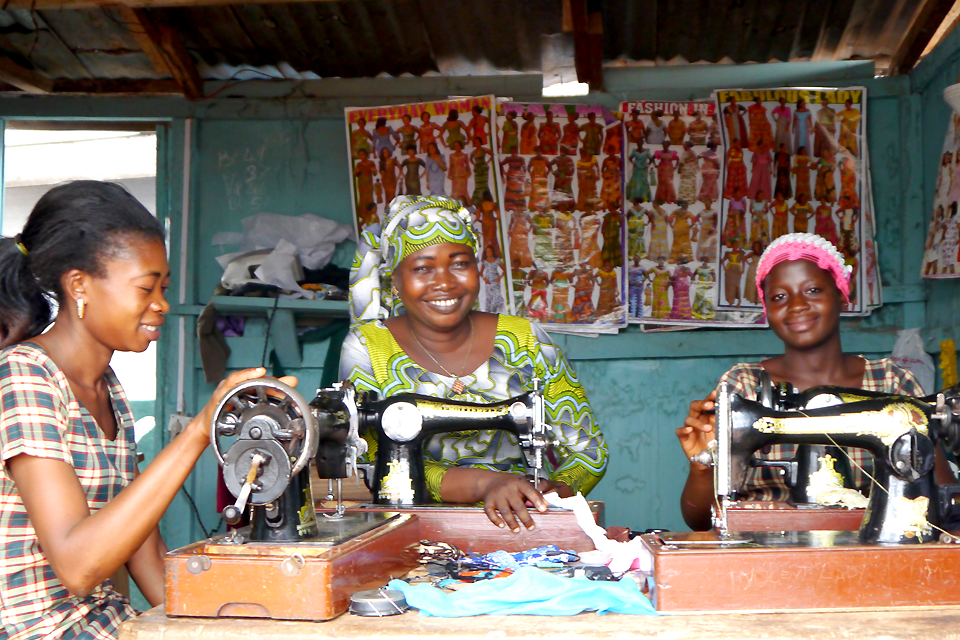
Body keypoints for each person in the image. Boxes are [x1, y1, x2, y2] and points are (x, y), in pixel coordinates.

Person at [0, 181, 285, 638]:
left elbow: (141, 546)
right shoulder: (25, 376)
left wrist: (212, 627)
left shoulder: (107, 387)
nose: (161, 305)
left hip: (102, 621)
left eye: (164, 287)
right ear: (80, 285)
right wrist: (197, 431)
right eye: (145, 288)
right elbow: (77, 566)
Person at [343, 196, 608, 531]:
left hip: (520, 525)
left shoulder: (526, 339)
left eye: (459, 263)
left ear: (478, 269)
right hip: (409, 529)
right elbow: (377, 460)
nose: (445, 282)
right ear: (394, 282)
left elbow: (589, 450)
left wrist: (555, 490)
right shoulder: (366, 350)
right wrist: (486, 484)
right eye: (423, 268)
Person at [676, 233, 932, 531]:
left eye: (812, 290)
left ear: (840, 294)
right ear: (767, 309)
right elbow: (698, 521)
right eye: (780, 297)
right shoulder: (743, 384)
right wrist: (701, 469)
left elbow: (936, 487)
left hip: (874, 551)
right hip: (762, 557)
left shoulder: (891, 381)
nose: (797, 305)